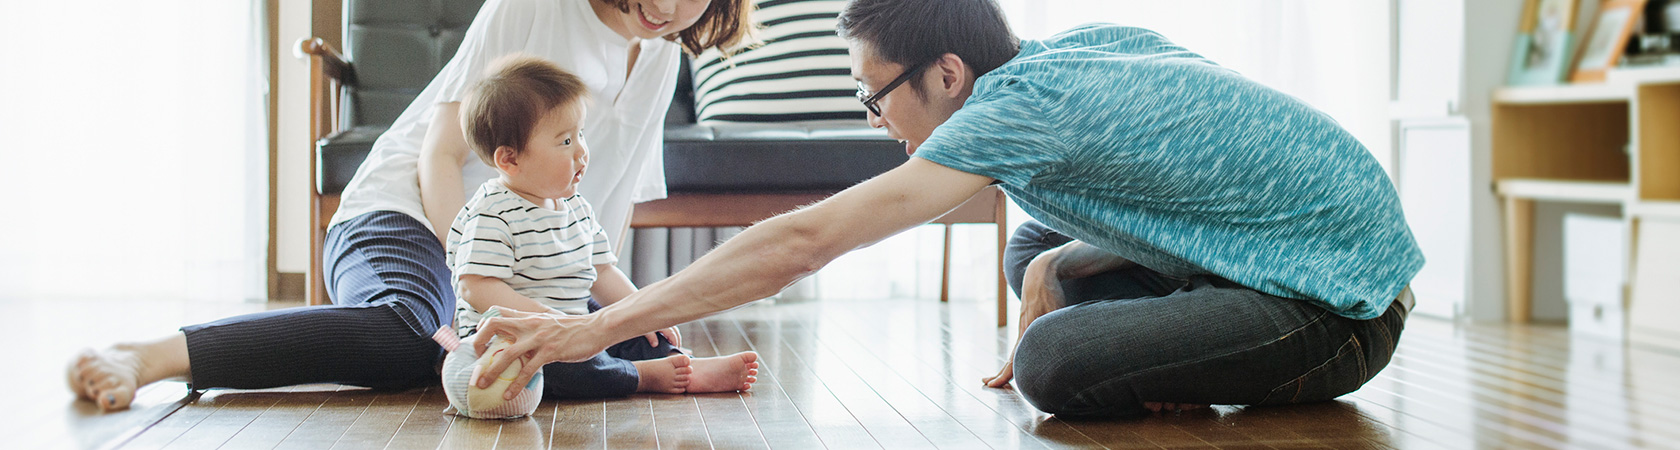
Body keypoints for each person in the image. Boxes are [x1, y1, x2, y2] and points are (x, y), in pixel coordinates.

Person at [465, 0, 1425, 418]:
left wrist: (592, 330)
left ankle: (1167, 350)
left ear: (948, 73)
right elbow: (1185, 175)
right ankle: (1162, 337)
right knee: (1035, 251)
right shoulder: (1068, 55)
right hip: (1289, 246)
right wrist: (1057, 266)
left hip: (1340, 307)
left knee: (1053, 361)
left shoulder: (1001, 118)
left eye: (875, 96)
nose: (876, 119)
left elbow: (800, 244)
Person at [66, 0, 754, 411]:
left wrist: (628, 315)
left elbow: (602, 208)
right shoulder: (538, 7)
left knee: (633, 337)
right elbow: (438, 153)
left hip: (519, 253)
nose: (665, 4)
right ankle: (158, 355)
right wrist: (475, 289)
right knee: (407, 331)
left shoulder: (662, 56)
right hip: (409, 214)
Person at [440, 56, 754, 413]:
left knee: (634, 328)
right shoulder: (492, 213)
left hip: (576, 323)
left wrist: (646, 313)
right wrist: (545, 318)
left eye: (581, 135)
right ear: (509, 160)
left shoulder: (575, 208)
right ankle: (641, 376)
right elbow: (475, 285)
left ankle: (682, 363)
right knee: (569, 368)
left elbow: (602, 273)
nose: (581, 152)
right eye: (565, 141)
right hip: (514, 340)